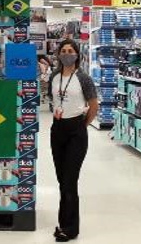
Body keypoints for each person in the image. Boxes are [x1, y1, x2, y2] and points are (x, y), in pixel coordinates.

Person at [48, 39, 98, 242]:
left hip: (76, 131)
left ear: (77, 55)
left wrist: (82, 125)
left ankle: (70, 229)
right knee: (62, 180)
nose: (67, 54)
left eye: (70, 51)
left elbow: (93, 105)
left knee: (69, 180)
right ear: (58, 54)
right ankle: (64, 224)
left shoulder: (83, 78)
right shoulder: (54, 76)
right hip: (57, 130)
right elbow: (53, 99)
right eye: (63, 50)